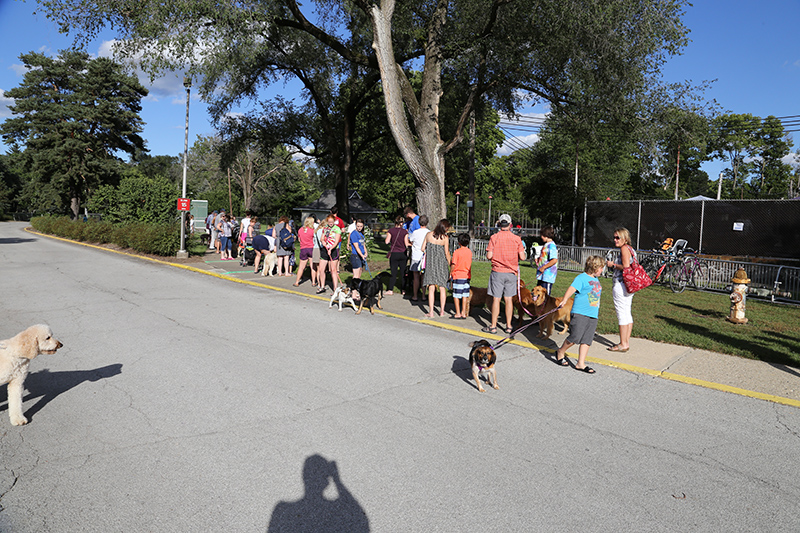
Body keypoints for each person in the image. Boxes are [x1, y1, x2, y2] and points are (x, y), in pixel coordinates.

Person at [554, 255, 605, 373]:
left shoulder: (596, 279)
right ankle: (560, 352)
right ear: (595, 267)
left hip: (593, 314)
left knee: (587, 339)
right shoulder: (581, 278)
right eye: (601, 268)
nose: (602, 270)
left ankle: (580, 363)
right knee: (575, 337)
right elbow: (572, 288)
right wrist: (565, 300)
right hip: (580, 313)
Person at [483, 214, 525, 334]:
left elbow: (489, 255)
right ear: (510, 224)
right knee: (508, 300)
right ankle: (508, 326)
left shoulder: (494, 237)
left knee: (496, 299)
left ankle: (493, 326)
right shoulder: (517, 239)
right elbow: (522, 257)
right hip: (511, 273)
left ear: (500, 224)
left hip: (497, 272)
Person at [605, 227, 636, 352]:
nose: (615, 240)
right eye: (614, 237)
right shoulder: (631, 249)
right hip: (630, 286)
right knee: (627, 312)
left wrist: (613, 265)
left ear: (625, 238)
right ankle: (626, 342)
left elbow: (625, 267)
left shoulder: (624, 249)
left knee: (621, 314)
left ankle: (623, 344)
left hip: (621, 284)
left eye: (618, 237)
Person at [421, 219, 451, 318]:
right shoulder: (445, 238)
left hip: (431, 264)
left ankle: (431, 312)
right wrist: (451, 265)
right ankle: (442, 311)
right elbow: (447, 253)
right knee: (442, 288)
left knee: (431, 288)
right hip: (442, 264)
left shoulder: (429, 235)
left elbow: (422, 248)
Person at [384, 215, 410, 295]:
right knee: (403, 273)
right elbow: (406, 244)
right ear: (402, 223)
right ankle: (403, 290)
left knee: (393, 272)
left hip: (394, 253)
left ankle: (390, 289)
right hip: (403, 253)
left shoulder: (391, 231)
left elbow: (386, 242)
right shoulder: (405, 232)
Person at [316, 214, 342, 293]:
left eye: (332, 221)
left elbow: (337, 241)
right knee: (321, 269)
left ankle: (335, 289)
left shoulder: (337, 229)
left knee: (333, 270)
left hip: (333, 250)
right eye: (329, 221)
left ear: (334, 221)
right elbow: (322, 238)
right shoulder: (325, 228)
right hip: (325, 249)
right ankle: (322, 286)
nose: (330, 223)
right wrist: (323, 242)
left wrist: (331, 248)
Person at [408, 215, 430, 301]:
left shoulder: (415, 232)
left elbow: (411, 240)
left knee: (416, 277)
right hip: (425, 256)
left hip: (416, 256)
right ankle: (424, 295)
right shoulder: (429, 232)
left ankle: (415, 295)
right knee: (423, 277)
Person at [450, 233, 472, 319]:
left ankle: (457, 313)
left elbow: (453, 264)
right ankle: (463, 312)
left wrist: (450, 273)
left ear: (459, 242)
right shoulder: (469, 252)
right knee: (464, 295)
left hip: (458, 275)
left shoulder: (457, 252)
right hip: (466, 275)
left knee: (456, 295)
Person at [294, 216, 318, 287]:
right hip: (311, 248)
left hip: (303, 248)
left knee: (301, 267)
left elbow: (299, 239)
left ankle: (297, 281)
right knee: (312, 267)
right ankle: (313, 282)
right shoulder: (313, 230)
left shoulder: (301, 229)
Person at [536, 225, 558, 294]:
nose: (541, 237)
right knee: (538, 294)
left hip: (547, 276)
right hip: (542, 275)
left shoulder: (552, 246)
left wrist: (544, 267)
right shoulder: (546, 245)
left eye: (542, 235)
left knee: (545, 296)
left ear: (546, 235)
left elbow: (554, 260)